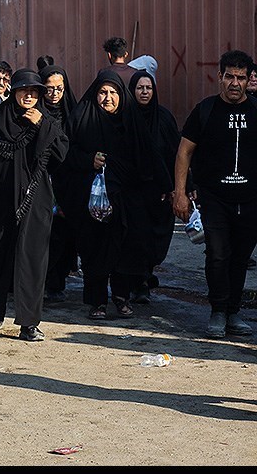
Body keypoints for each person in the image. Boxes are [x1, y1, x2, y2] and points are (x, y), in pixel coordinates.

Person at [0, 69, 68, 341]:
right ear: (14, 91)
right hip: (1, 200)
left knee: (32, 260)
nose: (29, 96)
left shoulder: (48, 120)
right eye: (23, 90)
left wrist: (43, 125)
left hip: (36, 200)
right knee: (0, 255)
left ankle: (29, 323)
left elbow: (61, 155)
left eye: (34, 92)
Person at [65, 70, 168, 321]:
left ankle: (121, 298)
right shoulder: (81, 117)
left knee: (126, 248)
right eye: (102, 92)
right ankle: (97, 301)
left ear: (122, 96)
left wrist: (169, 186)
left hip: (127, 198)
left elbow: (150, 155)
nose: (108, 98)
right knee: (95, 249)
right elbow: (65, 154)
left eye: (113, 93)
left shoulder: (131, 120)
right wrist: (89, 160)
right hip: (93, 202)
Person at [174, 50, 257, 339]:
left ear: (249, 80)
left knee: (240, 257)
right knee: (218, 255)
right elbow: (184, 151)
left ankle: (234, 313)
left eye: (241, 78)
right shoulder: (205, 110)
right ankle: (218, 312)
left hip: (250, 200)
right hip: (215, 198)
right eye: (230, 77)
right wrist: (181, 193)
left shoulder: (256, 111)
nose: (235, 83)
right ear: (219, 77)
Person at [127, 71, 180, 304]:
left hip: (160, 191)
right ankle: (139, 284)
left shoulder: (165, 118)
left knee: (156, 239)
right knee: (136, 238)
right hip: (133, 190)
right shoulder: (125, 117)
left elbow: (177, 153)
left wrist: (180, 186)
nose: (145, 92)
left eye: (148, 88)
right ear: (132, 91)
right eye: (140, 88)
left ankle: (147, 274)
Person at [39, 65, 78, 303]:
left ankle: (57, 281)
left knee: (63, 234)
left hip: (67, 183)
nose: (54, 94)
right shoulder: (34, 113)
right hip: (40, 182)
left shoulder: (72, 114)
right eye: (49, 88)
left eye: (59, 89)